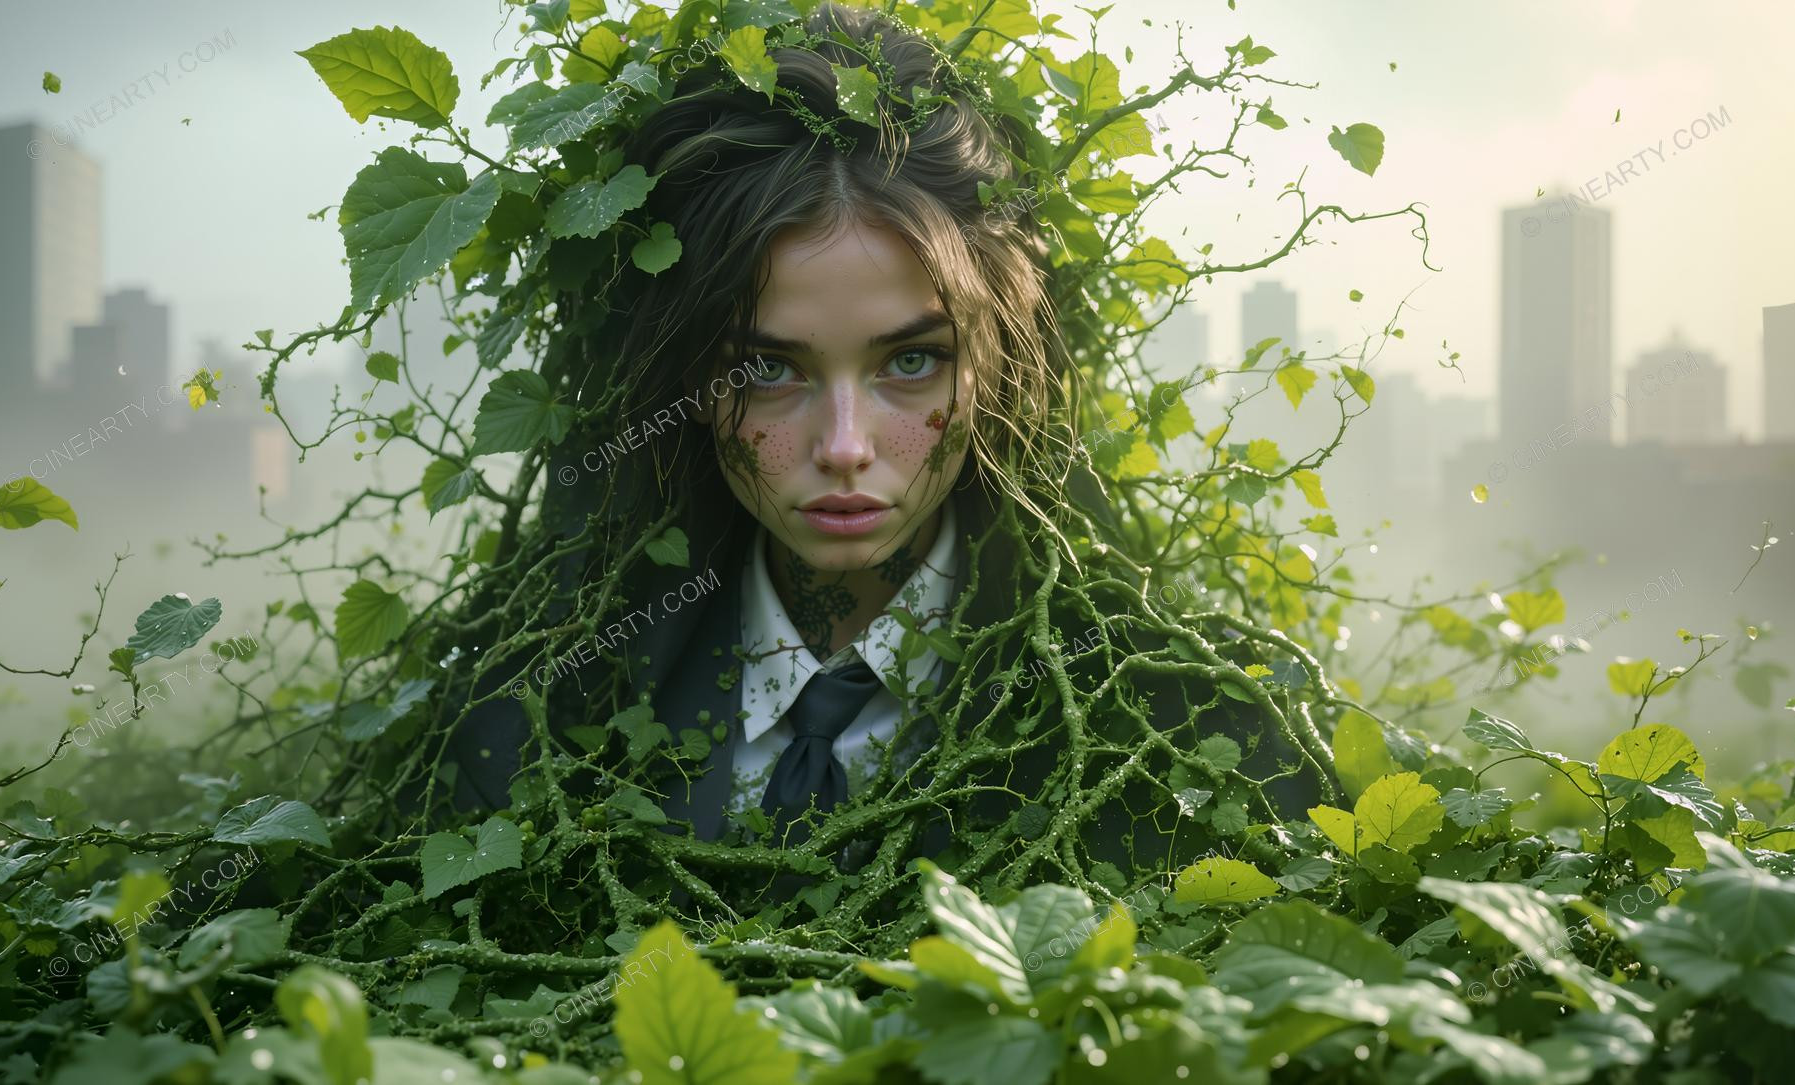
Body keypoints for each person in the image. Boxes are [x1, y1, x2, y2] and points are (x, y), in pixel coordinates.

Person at [434, 2, 1330, 914]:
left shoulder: (1185, 730)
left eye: (912, 361)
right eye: (768, 369)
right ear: (693, 381)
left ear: (996, 367)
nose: (845, 447)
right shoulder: (532, 731)